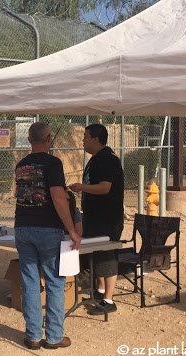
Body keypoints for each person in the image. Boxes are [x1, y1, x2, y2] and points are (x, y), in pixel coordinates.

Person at [14, 122, 81, 350]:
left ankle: (33, 335)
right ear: (49, 139)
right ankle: (53, 336)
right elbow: (58, 197)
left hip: (22, 227)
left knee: (30, 282)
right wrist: (72, 229)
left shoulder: (21, 165)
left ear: (30, 140)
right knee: (54, 281)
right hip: (48, 228)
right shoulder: (53, 163)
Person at [69, 123, 125, 315]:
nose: (83, 140)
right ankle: (99, 292)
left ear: (95, 139)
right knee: (95, 254)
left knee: (107, 255)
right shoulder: (95, 159)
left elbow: (105, 188)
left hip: (107, 219)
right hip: (93, 217)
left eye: (85, 137)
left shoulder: (108, 160)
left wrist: (81, 187)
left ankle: (109, 300)